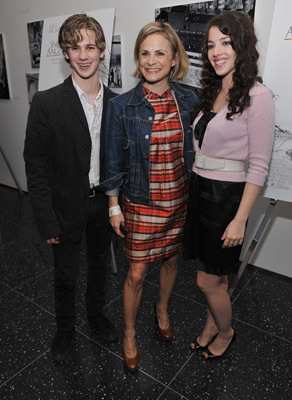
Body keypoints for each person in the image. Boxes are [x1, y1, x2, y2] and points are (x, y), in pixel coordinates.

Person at [103, 21, 198, 371]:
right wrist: (114, 206)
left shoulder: (189, 100)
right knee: (137, 274)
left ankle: (162, 308)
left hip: (179, 200)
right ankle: (129, 333)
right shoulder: (122, 106)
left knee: (172, 262)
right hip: (141, 203)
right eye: (145, 53)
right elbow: (113, 160)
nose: (151, 60)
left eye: (160, 52)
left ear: (174, 58)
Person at [23, 13, 118, 363]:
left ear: (102, 50)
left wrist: (117, 206)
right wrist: (46, 221)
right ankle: (64, 329)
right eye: (74, 47)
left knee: (98, 268)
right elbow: (35, 165)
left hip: (102, 205)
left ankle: (96, 316)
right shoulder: (47, 103)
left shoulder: (116, 103)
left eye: (90, 46)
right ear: (64, 53)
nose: (83, 54)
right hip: (64, 208)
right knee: (65, 274)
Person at [183, 11, 275, 359]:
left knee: (206, 280)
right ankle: (210, 326)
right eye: (210, 45)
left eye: (225, 42)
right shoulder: (213, 89)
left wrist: (240, 218)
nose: (216, 51)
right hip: (202, 190)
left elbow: (259, 165)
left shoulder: (258, 96)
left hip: (228, 199)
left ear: (241, 46)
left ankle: (226, 331)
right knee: (216, 277)